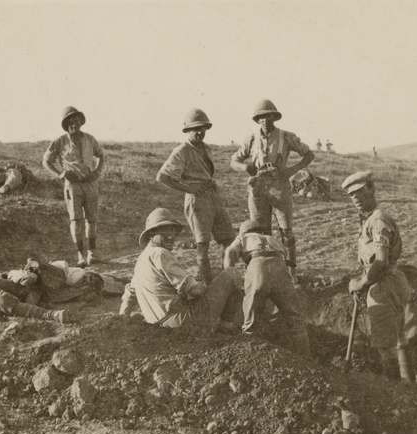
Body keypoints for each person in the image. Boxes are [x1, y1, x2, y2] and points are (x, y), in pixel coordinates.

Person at [230, 99, 315, 283]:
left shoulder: (285, 136)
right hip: (258, 188)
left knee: (287, 232)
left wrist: (292, 170)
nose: (264, 120)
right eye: (260, 117)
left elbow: (309, 154)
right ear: (257, 119)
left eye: (268, 116)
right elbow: (233, 161)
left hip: (280, 187)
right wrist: (246, 168)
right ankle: (262, 273)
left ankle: (291, 274)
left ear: (274, 117)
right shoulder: (251, 139)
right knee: (260, 233)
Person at [119, 208, 242, 332]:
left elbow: (129, 295)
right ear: (151, 234)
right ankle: (226, 328)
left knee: (216, 276)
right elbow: (196, 291)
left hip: (158, 328)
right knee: (233, 273)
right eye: (165, 231)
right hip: (183, 322)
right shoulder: (161, 254)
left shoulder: (141, 259)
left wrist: (121, 323)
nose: (171, 236)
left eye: (172, 230)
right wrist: (206, 286)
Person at [342, 171, 414, 381]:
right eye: (351, 194)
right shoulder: (371, 219)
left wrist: (361, 283)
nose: (355, 197)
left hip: (384, 286)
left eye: (359, 191)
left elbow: (381, 261)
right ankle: (411, 386)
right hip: (390, 281)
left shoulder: (378, 220)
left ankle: (395, 397)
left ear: (371, 188)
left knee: (386, 347)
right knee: (399, 339)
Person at [156, 108, 236, 284]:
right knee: (203, 246)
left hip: (213, 197)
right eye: (195, 128)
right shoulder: (182, 151)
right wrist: (188, 189)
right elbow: (162, 177)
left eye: (202, 128)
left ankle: (227, 282)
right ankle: (208, 287)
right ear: (187, 130)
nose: (200, 132)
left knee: (228, 240)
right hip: (197, 201)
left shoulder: (206, 149)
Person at [224, 219, 310, 355]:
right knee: (297, 323)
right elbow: (283, 257)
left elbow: (229, 252)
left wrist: (230, 275)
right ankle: (307, 361)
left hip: (258, 268)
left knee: (250, 326)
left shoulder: (243, 237)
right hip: (281, 270)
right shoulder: (273, 239)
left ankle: (250, 361)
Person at [43, 106, 105, 267]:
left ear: (80, 122)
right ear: (66, 124)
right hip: (73, 186)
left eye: (76, 121)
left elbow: (100, 155)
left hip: (90, 184)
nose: (74, 124)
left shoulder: (90, 139)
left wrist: (97, 171)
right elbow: (46, 161)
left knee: (92, 220)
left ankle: (92, 254)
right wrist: (60, 174)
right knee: (76, 220)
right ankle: (80, 256)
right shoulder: (60, 141)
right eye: (70, 121)